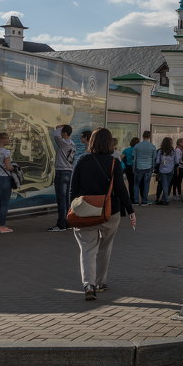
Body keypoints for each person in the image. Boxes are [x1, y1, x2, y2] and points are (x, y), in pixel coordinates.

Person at [70, 127, 135, 301]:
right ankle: (100, 282)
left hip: (84, 211)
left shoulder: (82, 160)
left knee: (87, 249)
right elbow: (121, 189)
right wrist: (130, 211)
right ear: (109, 143)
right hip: (109, 211)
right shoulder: (114, 162)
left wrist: (71, 209)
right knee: (105, 248)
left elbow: (73, 187)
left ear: (91, 141)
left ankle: (88, 284)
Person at [48, 125, 77, 232]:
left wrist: (60, 127)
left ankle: (61, 225)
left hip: (61, 172)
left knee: (61, 199)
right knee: (66, 199)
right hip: (69, 172)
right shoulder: (72, 144)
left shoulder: (64, 143)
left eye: (62, 133)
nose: (60, 134)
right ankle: (67, 222)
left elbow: (55, 135)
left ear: (64, 133)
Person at [133, 131, 157, 205]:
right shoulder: (152, 147)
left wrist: (133, 167)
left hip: (138, 167)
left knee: (136, 184)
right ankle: (144, 201)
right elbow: (154, 158)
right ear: (149, 137)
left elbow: (134, 158)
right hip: (148, 167)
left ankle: (136, 200)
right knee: (146, 184)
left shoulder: (137, 146)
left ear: (142, 136)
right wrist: (153, 167)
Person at [155, 137, 178, 204]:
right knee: (167, 185)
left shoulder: (160, 151)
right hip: (171, 170)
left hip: (162, 170)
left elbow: (157, 161)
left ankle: (166, 200)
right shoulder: (173, 151)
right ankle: (163, 199)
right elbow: (176, 161)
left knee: (164, 185)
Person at [122, 137, 139, 203]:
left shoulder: (126, 149)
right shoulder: (138, 150)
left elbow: (121, 158)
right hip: (137, 167)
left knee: (131, 183)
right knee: (136, 183)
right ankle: (136, 198)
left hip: (128, 167)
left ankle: (132, 198)